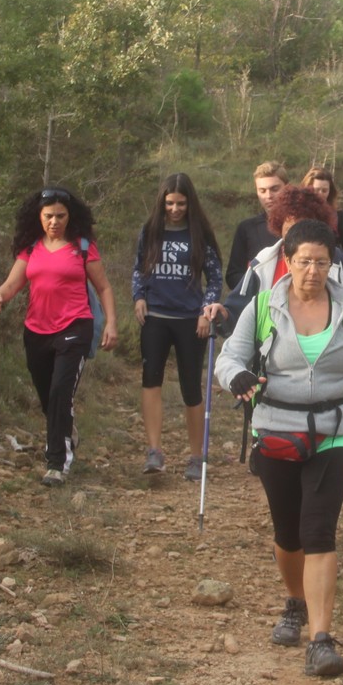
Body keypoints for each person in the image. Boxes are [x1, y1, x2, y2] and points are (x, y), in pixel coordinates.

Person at [215, 219, 343, 679]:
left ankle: (321, 640)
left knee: (319, 532)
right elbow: (228, 358)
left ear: (333, 264)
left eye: (321, 262)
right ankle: (294, 601)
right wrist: (237, 377)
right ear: (287, 261)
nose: (312, 271)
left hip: (334, 432)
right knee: (288, 534)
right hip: (276, 429)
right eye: (304, 261)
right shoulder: (261, 306)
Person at [223, 186, 343, 411]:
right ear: (279, 226)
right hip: (269, 392)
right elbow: (239, 310)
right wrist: (221, 315)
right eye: (291, 227)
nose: (298, 234)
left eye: (305, 225)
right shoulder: (263, 263)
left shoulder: (339, 264)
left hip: (328, 393)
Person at [0, 186, 119, 485]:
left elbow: (104, 287)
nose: (54, 222)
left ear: (70, 217)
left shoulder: (82, 246)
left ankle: (57, 463)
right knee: (48, 398)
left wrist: (111, 323)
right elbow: (12, 284)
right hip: (36, 331)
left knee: (61, 392)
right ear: (39, 216)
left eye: (60, 216)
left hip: (75, 327)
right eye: (48, 216)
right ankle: (66, 431)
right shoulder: (31, 248)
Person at [131, 173, 227, 479]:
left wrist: (205, 311)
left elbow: (214, 276)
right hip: (155, 317)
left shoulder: (200, 233)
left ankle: (196, 456)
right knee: (151, 380)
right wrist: (138, 296)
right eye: (170, 203)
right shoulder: (150, 230)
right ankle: (154, 451)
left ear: (190, 203)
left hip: (190, 319)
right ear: (162, 202)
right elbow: (139, 267)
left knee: (190, 386)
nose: (175, 209)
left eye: (181, 203)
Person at [226, 161, 290, 289]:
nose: (268, 196)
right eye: (262, 191)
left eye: (275, 189)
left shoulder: (303, 225)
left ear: (287, 188)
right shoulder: (247, 228)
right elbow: (233, 275)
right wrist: (257, 289)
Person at [302, 166, 343, 261]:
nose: (320, 194)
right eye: (316, 190)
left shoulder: (338, 216)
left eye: (324, 191)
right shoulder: (298, 215)